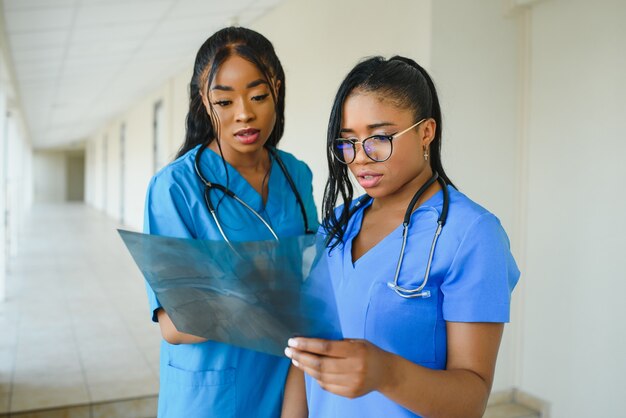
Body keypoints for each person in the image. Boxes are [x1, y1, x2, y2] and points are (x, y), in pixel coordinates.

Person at [282, 56, 520, 418]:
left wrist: (386, 373)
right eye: (348, 142)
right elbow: (306, 354)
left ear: (426, 131)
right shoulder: (338, 225)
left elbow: (472, 400)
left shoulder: (471, 235)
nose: (360, 158)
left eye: (379, 138)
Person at [143, 27, 318, 417]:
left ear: (276, 88)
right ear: (204, 102)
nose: (244, 113)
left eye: (258, 96)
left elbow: (314, 289)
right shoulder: (175, 188)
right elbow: (175, 323)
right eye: (224, 100)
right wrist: (278, 290)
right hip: (211, 393)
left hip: (287, 380)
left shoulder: (297, 175)